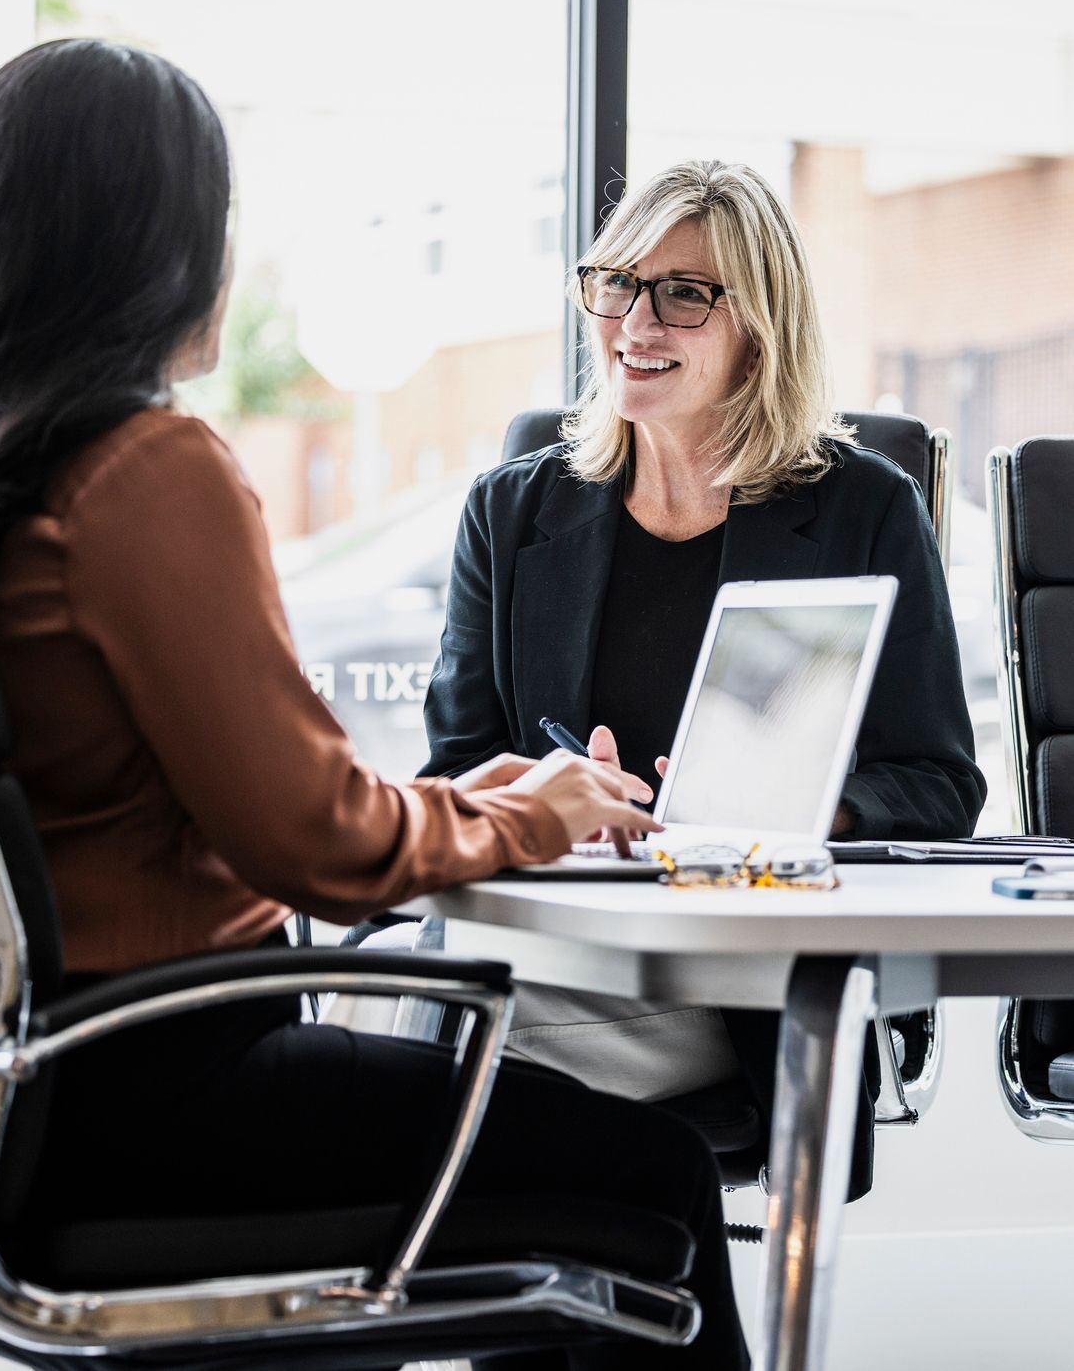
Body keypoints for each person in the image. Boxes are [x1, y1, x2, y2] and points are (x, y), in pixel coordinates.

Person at [0, 40, 749, 1369]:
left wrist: (485, 799)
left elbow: (249, 807)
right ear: (160, 244)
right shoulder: (146, 467)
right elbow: (323, 850)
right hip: (165, 1094)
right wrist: (525, 823)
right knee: (645, 1172)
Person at [421, 158, 986, 1192]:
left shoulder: (863, 508)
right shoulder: (510, 515)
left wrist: (798, 812)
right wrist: (552, 806)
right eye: (617, 283)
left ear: (759, 327)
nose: (635, 320)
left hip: (745, 979)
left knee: (463, 1084)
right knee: (470, 1069)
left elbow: (938, 782)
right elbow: (455, 767)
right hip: (560, 944)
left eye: (683, 293)